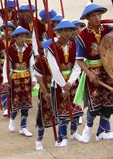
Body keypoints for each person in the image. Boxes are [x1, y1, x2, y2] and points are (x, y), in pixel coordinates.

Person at [75, 3, 113, 143]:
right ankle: (88, 129)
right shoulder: (82, 36)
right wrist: (89, 74)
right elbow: (79, 60)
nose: (97, 17)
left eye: (99, 14)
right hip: (93, 72)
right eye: (94, 15)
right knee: (94, 104)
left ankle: (101, 132)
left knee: (109, 104)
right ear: (87, 18)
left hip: (109, 70)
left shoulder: (108, 29)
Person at [43, 19, 84, 148]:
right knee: (62, 111)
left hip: (72, 81)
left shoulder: (76, 44)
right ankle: (63, 136)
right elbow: (54, 68)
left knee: (75, 109)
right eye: (65, 30)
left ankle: (74, 131)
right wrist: (63, 84)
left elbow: (78, 64)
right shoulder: (51, 48)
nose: (68, 33)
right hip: (58, 83)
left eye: (70, 30)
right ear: (59, 32)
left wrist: (70, 82)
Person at [3, 26, 36, 137]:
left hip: (26, 78)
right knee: (15, 100)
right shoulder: (10, 50)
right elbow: (6, 66)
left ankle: (23, 127)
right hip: (15, 78)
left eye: (25, 36)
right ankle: (12, 118)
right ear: (15, 38)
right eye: (21, 36)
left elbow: (31, 65)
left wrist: (34, 79)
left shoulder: (29, 49)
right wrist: (5, 79)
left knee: (26, 103)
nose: (23, 39)